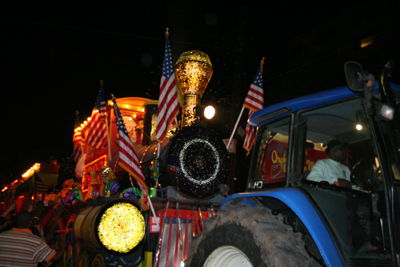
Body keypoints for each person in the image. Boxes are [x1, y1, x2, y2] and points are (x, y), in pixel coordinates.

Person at [0, 210, 66, 266]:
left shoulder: (2, 236)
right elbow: (55, 257)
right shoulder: (35, 241)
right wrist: (62, 245)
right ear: (30, 222)